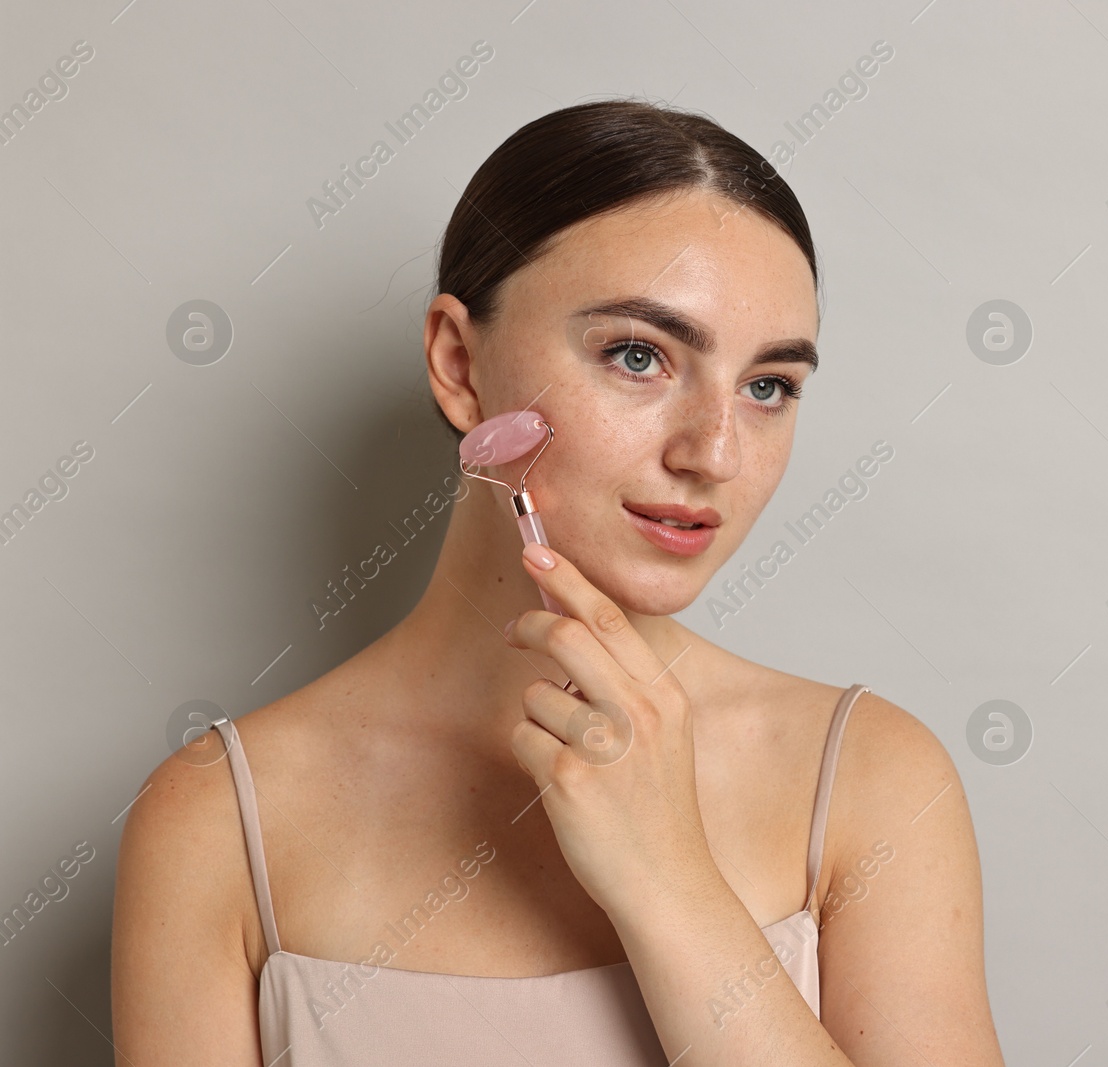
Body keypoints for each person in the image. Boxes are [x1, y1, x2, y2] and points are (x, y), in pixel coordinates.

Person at [111, 98, 1005, 1066]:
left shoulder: (871, 778)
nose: (713, 452)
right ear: (459, 365)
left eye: (768, 386)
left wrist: (668, 876)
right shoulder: (218, 819)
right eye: (637, 355)